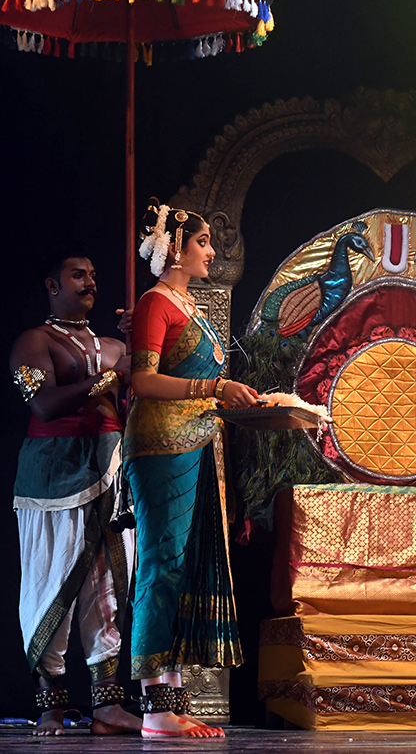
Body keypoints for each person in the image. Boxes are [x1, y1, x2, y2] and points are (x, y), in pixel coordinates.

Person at [123, 200, 259, 739]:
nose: (211, 251)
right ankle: (154, 708)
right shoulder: (155, 303)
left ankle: (171, 702)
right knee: (160, 565)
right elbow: (144, 382)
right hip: (159, 446)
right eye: (203, 242)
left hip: (195, 442)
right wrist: (214, 388)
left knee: (182, 568)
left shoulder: (187, 305)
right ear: (176, 248)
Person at [9, 251, 141, 736]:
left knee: (108, 583)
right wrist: (112, 375)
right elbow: (43, 403)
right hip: (52, 474)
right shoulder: (33, 341)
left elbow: (143, 390)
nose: (90, 283)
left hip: (109, 466)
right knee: (51, 581)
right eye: (77, 275)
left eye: (93, 275)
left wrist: (137, 342)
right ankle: (51, 705)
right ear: (51, 284)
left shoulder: (112, 343)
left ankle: (107, 709)